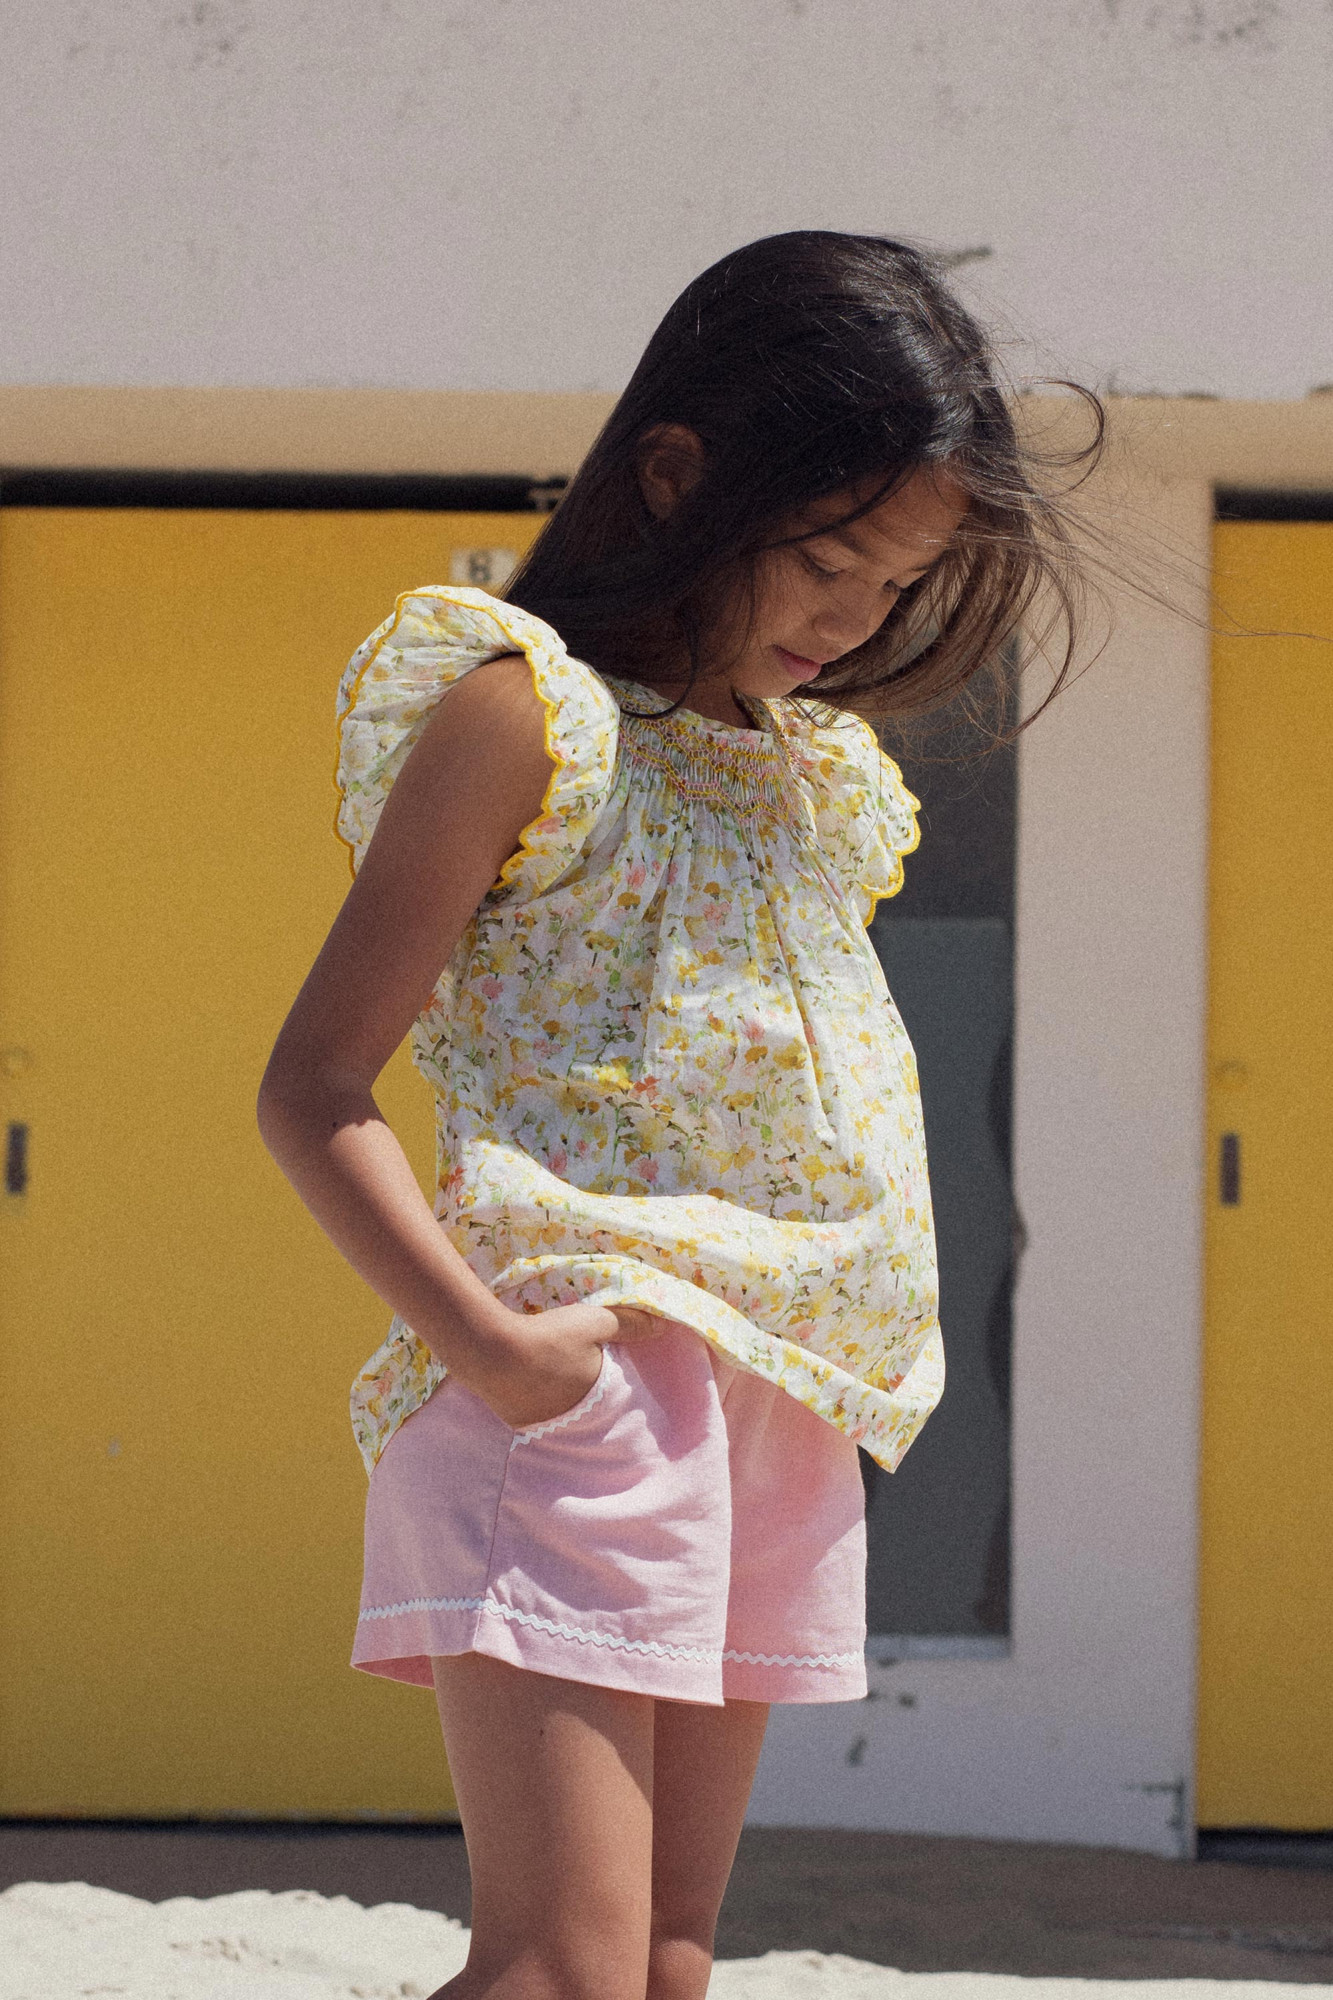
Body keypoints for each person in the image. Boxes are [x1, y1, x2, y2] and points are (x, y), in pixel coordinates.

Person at [257, 230, 1099, 2000]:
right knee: (558, 1973)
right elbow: (312, 1086)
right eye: (827, 558)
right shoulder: (527, 718)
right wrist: (493, 1353)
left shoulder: (814, 783)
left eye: (895, 583)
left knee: (656, 1969)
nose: (852, 620)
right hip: (577, 1386)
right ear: (673, 473)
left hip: (771, 1406)